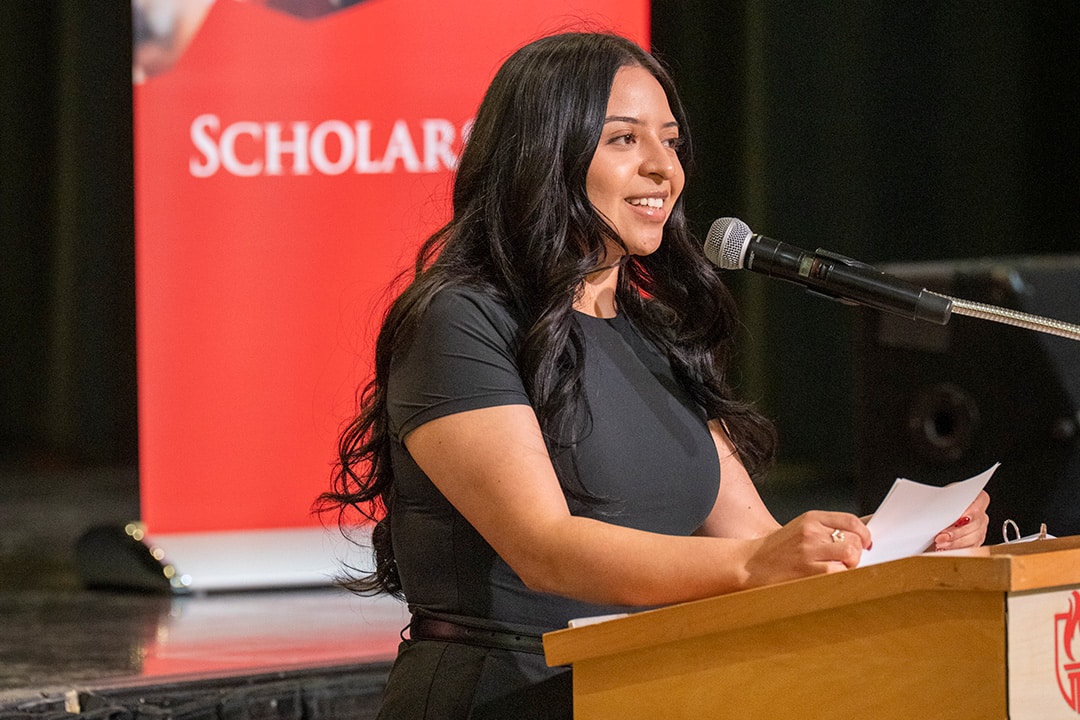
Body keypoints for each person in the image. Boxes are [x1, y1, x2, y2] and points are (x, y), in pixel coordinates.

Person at [319, 31, 990, 719]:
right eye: (624, 139)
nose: (663, 168)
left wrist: (899, 541)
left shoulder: (657, 333)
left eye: (670, 142)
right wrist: (758, 563)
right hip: (504, 693)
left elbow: (757, 543)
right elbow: (545, 549)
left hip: (643, 687)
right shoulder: (461, 320)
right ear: (545, 151)